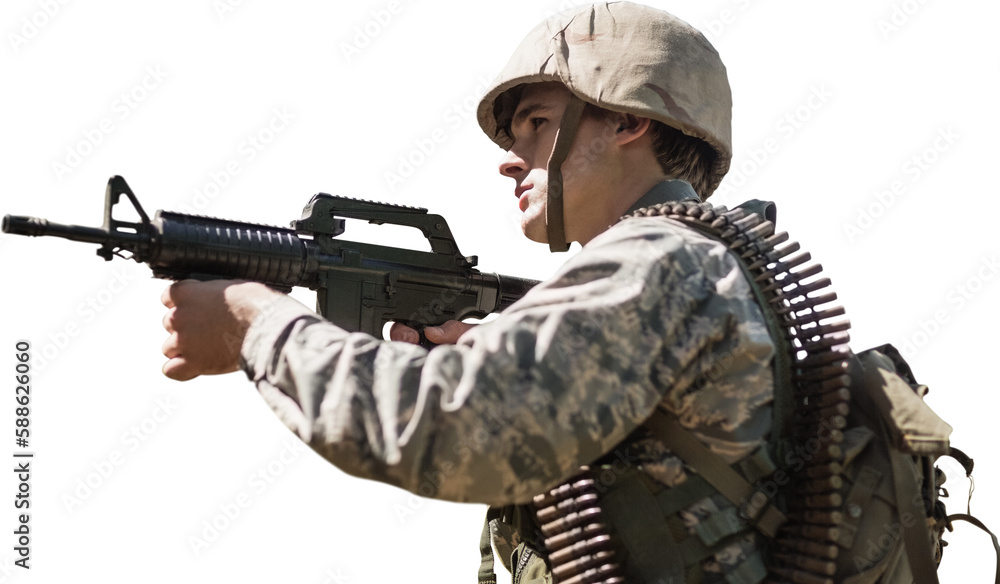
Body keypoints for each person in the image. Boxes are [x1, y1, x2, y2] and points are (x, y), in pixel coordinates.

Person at [159, 3, 777, 582]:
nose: (510, 160)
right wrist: (498, 359)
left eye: (537, 124)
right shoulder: (699, 263)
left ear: (629, 120)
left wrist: (256, 324)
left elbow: (460, 431)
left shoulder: (662, 260)